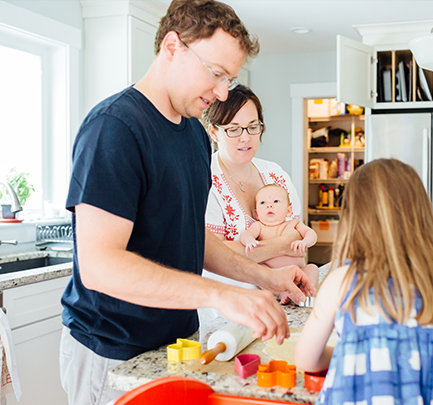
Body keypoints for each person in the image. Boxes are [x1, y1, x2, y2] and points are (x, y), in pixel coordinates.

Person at [59, 1, 314, 404]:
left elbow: (191, 234)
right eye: (215, 74)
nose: (222, 92)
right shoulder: (114, 129)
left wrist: (263, 277)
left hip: (180, 343)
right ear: (173, 47)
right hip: (113, 351)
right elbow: (99, 267)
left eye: (229, 78)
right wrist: (219, 294)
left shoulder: (194, 135)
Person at [294, 159, 433, 405]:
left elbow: (306, 359)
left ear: (353, 221)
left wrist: (351, 352)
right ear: (421, 217)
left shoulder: (342, 283)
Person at [199, 84, 312, 338]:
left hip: (279, 306)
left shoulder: (275, 174)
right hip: (227, 315)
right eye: (234, 129)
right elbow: (214, 252)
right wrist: (280, 246)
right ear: (214, 132)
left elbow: (298, 237)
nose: (245, 137)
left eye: (253, 126)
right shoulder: (205, 179)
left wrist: (286, 247)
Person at [241, 184, 319, 304]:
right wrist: (249, 241)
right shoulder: (259, 226)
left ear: (288, 211)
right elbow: (246, 234)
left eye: (276, 201)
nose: (269, 205)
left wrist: (305, 241)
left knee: (312, 268)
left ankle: (307, 291)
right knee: (260, 271)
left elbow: (311, 233)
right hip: (274, 277)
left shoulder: (293, 224)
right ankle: (281, 293)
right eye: (262, 203)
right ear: (257, 214)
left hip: (299, 274)